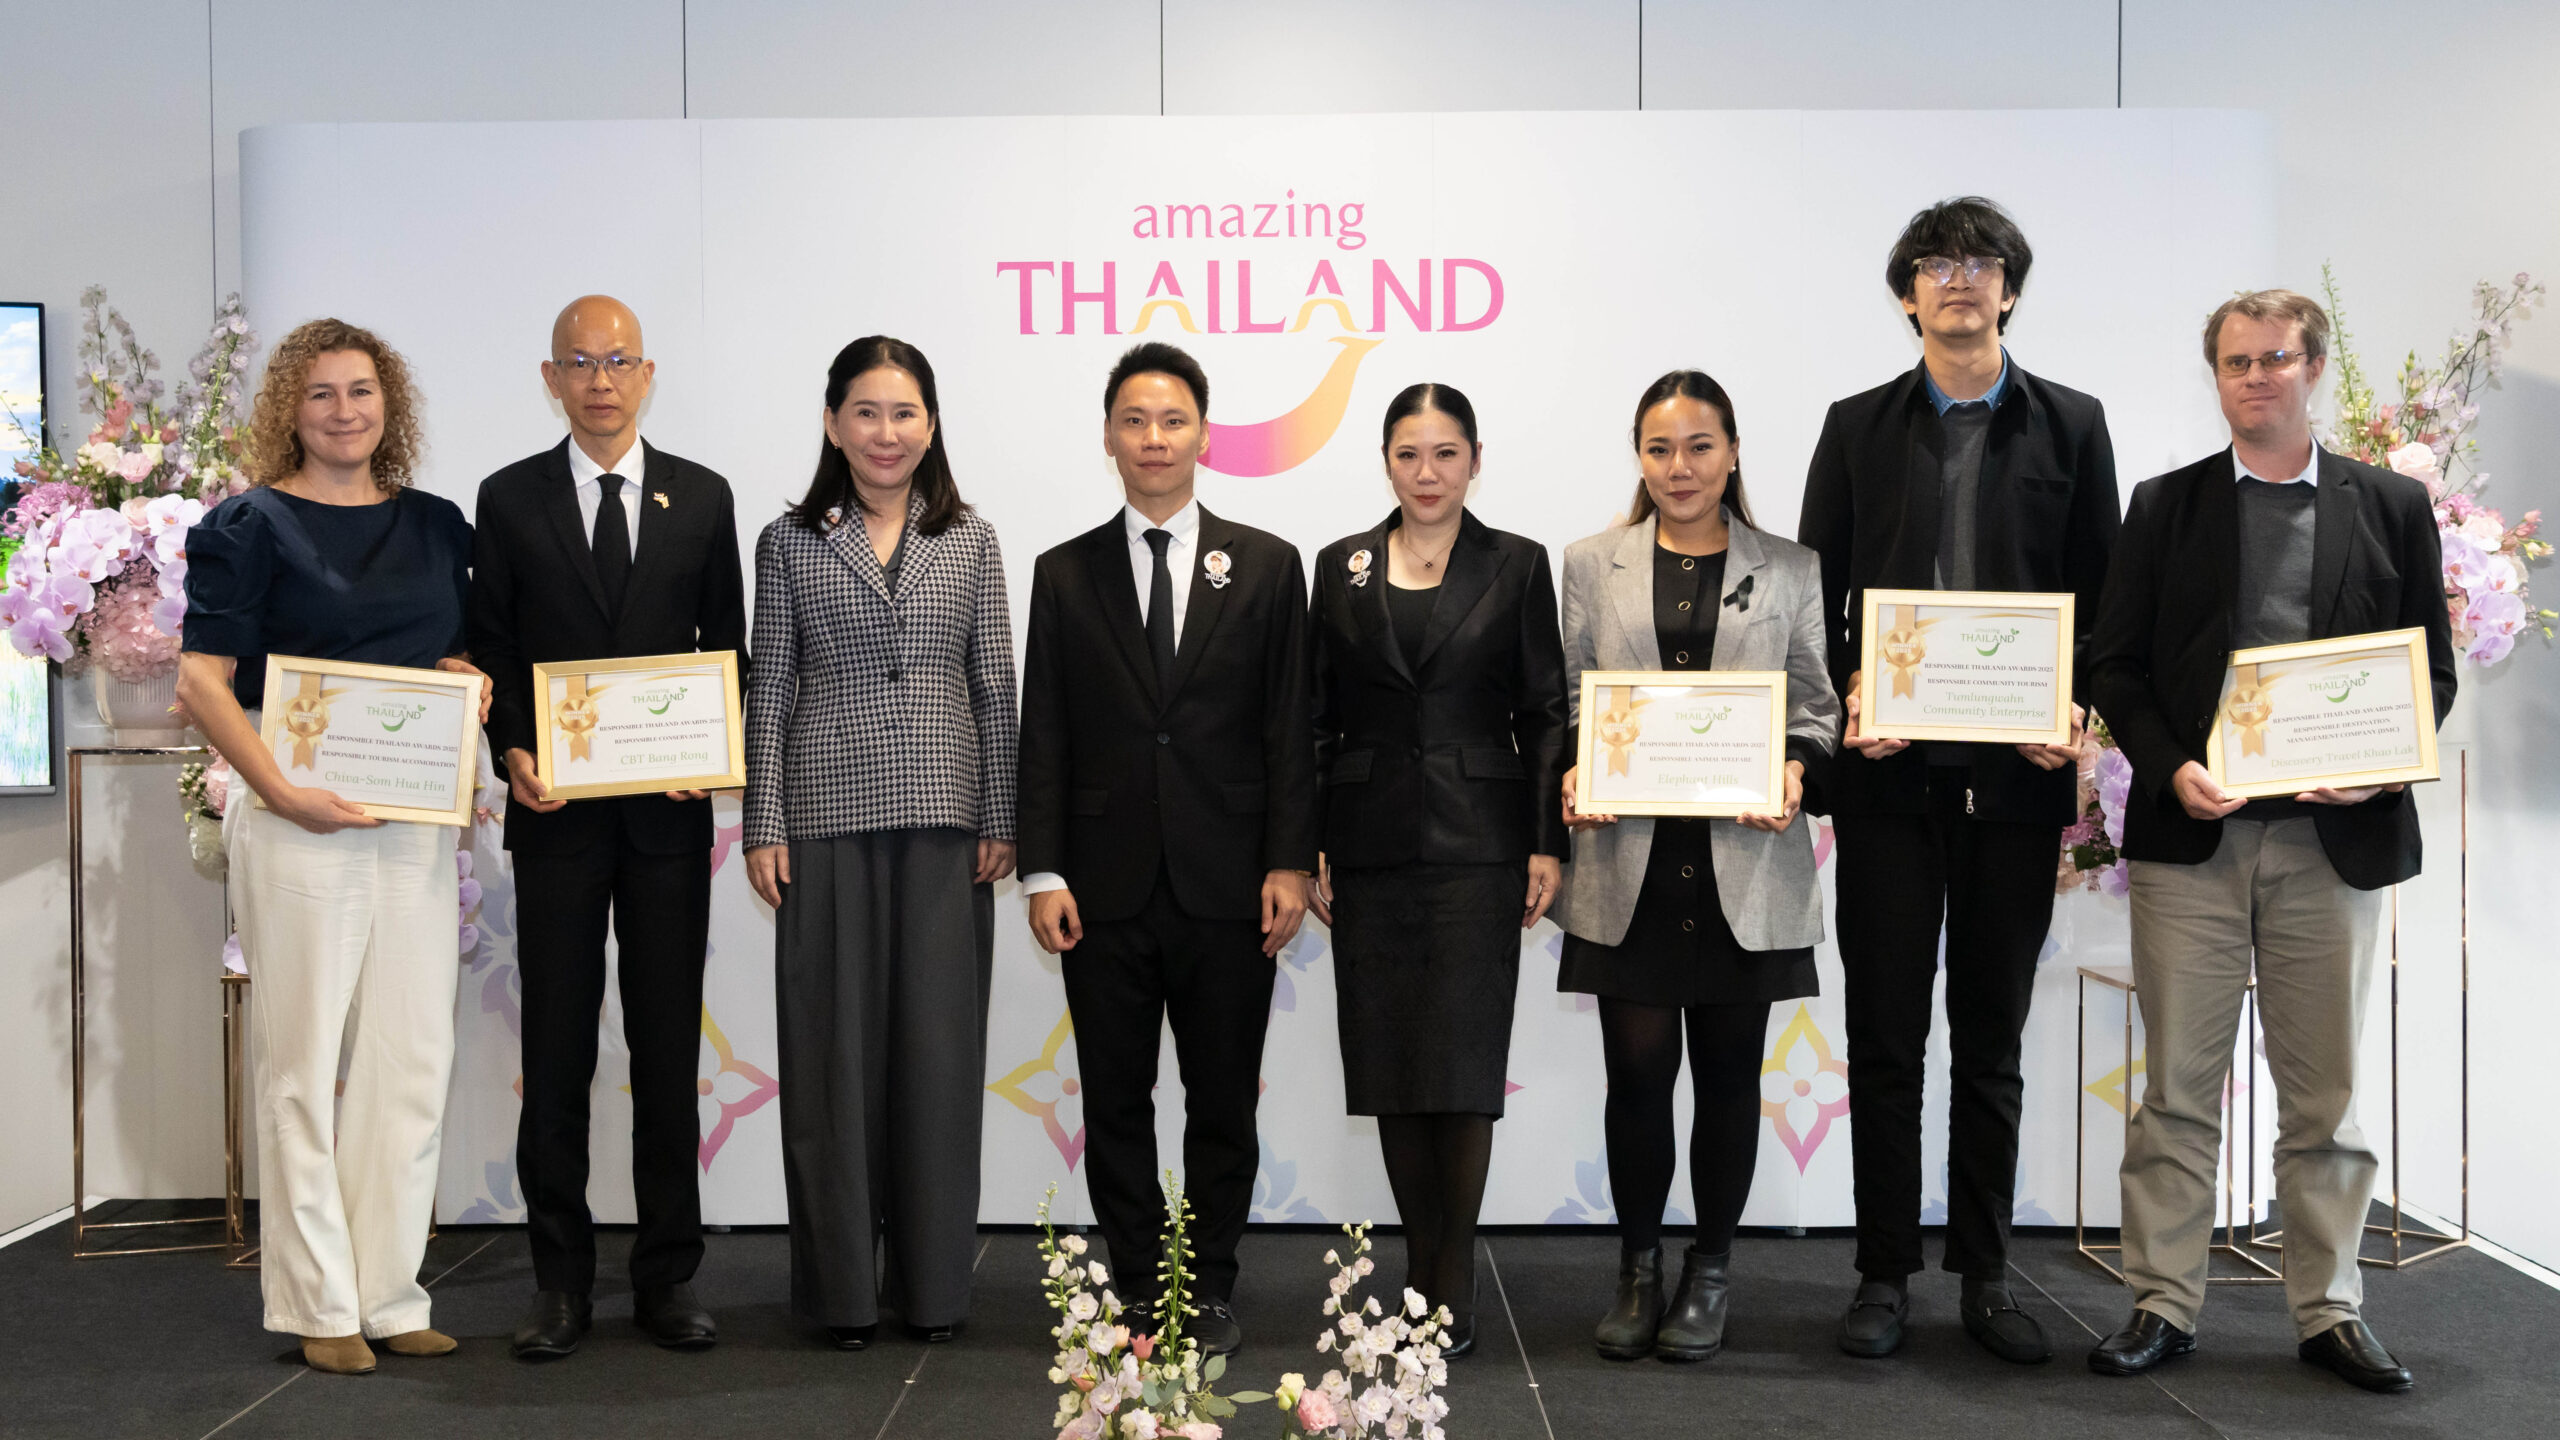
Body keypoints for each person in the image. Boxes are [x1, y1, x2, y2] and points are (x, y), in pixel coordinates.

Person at [2084, 290, 2453, 1393]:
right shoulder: (2165, 506)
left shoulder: (2387, 505)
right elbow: (2117, 664)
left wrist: (2378, 764)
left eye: (2275, 359)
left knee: (2324, 1097)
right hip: (2193, 839)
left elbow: (2426, 670)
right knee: (2177, 1092)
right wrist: (2168, 766)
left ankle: (2327, 1309)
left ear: (2311, 367)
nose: (2254, 377)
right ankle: (2160, 1301)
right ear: (2216, 376)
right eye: (2235, 361)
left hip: (2332, 845)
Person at [1795, 196, 2119, 1363]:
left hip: (2017, 787)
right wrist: (1850, 700)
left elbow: (2103, 601)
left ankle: (1984, 1272)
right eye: (1935, 264)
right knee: (1883, 1040)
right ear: (1906, 295)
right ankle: (1882, 1272)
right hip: (1889, 786)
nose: (1958, 281)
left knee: (1989, 1042)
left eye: (1980, 263)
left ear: (2010, 289)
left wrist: (2076, 708)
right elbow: (1815, 607)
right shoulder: (1853, 427)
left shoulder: (2073, 426)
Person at [174, 319, 488, 1375]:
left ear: (388, 403)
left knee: (411, 1058)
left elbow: (444, 652)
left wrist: (467, 680)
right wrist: (278, 791)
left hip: (411, 824)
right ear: (288, 411)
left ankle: (390, 1292)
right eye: (321, 395)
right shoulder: (246, 525)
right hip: (296, 817)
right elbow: (201, 683)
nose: (344, 411)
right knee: (302, 1064)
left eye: (361, 391)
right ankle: (318, 1302)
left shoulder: (440, 524)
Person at [1017, 341, 1317, 1359]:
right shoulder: (1063, 573)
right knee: (1117, 1103)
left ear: (1203, 433)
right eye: (1135, 421)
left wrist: (1287, 860)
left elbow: (1289, 726)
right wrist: (1044, 869)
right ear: (1108, 437)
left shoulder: (1269, 565)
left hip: (1231, 883)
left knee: (1222, 1102)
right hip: (1099, 888)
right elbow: (1043, 729)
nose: (1154, 438)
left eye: (1173, 420)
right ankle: (1144, 1289)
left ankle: (1212, 1286)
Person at [467, 295, 746, 1359]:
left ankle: (667, 1279)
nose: (599, 379)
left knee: (668, 1051)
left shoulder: (703, 497)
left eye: (617, 360)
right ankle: (560, 1286)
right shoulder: (508, 499)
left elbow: (727, 646)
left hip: (670, 825)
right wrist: (515, 756)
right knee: (559, 1048)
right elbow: (489, 647)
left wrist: (709, 750)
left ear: (647, 372)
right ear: (550, 378)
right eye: (578, 363)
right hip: (558, 822)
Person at [1556, 371, 1841, 1363]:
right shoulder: (1591, 564)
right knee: (1635, 1080)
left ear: (1731, 452)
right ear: (1639, 457)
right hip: (1627, 858)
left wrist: (1799, 771)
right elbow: (1570, 702)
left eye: (1699, 447)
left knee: (1727, 1079)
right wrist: (1571, 772)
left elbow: (1816, 707)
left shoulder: (1791, 567)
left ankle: (1709, 1271)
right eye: (1659, 449)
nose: (1679, 469)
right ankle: (1637, 1267)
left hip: (1744, 861)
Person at [741, 336, 1017, 1350]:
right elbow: (769, 686)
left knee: (938, 1063)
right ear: (832, 423)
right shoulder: (789, 542)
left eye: (903, 413)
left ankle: (935, 1290)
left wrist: (1002, 814)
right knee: (830, 1065)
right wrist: (763, 821)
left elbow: (995, 683)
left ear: (930, 424)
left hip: (946, 819)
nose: (885, 433)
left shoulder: (973, 539)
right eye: (865, 412)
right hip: (821, 818)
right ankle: (841, 1296)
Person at [1305, 383, 1568, 1357]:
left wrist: (1545, 840)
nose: (1427, 473)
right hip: (1368, 849)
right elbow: (1314, 719)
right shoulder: (1339, 567)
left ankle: (1440, 1286)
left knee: (1458, 1076)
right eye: (1409, 454)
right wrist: (1310, 845)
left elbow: (1545, 711)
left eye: (1445, 453)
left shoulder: (1517, 563)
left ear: (1474, 459)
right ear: (1385, 461)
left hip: (1479, 847)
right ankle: (1420, 1268)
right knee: (1392, 1071)